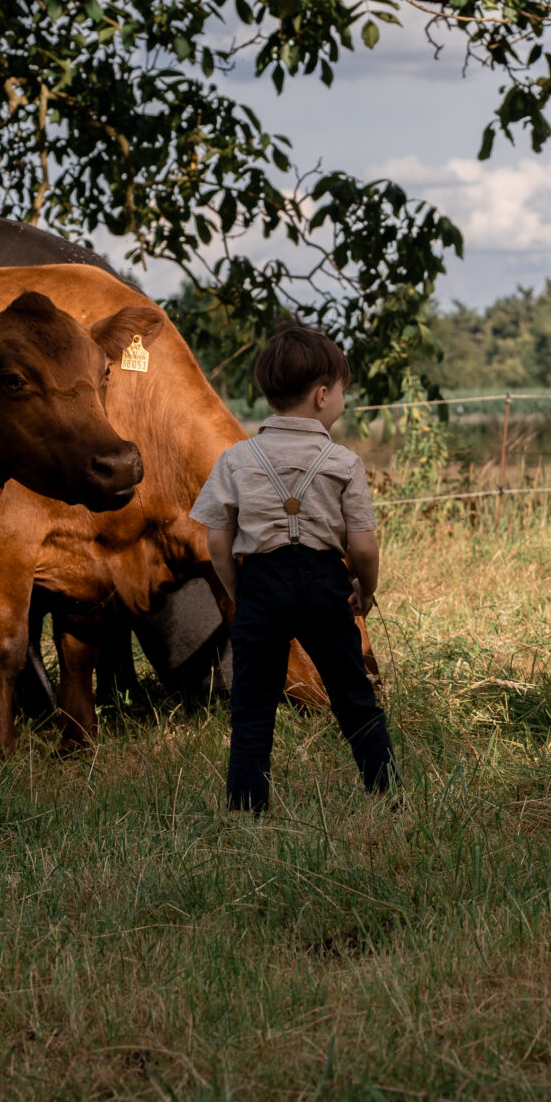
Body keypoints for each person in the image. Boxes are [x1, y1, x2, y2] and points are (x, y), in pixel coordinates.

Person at [193, 321, 392, 811]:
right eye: (343, 392)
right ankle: (387, 797)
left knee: (253, 706)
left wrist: (242, 591)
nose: (343, 401)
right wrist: (363, 593)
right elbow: (363, 548)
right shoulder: (343, 463)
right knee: (353, 696)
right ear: (322, 395)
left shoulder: (236, 459)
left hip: (261, 582)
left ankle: (246, 809)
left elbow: (218, 541)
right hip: (325, 585)